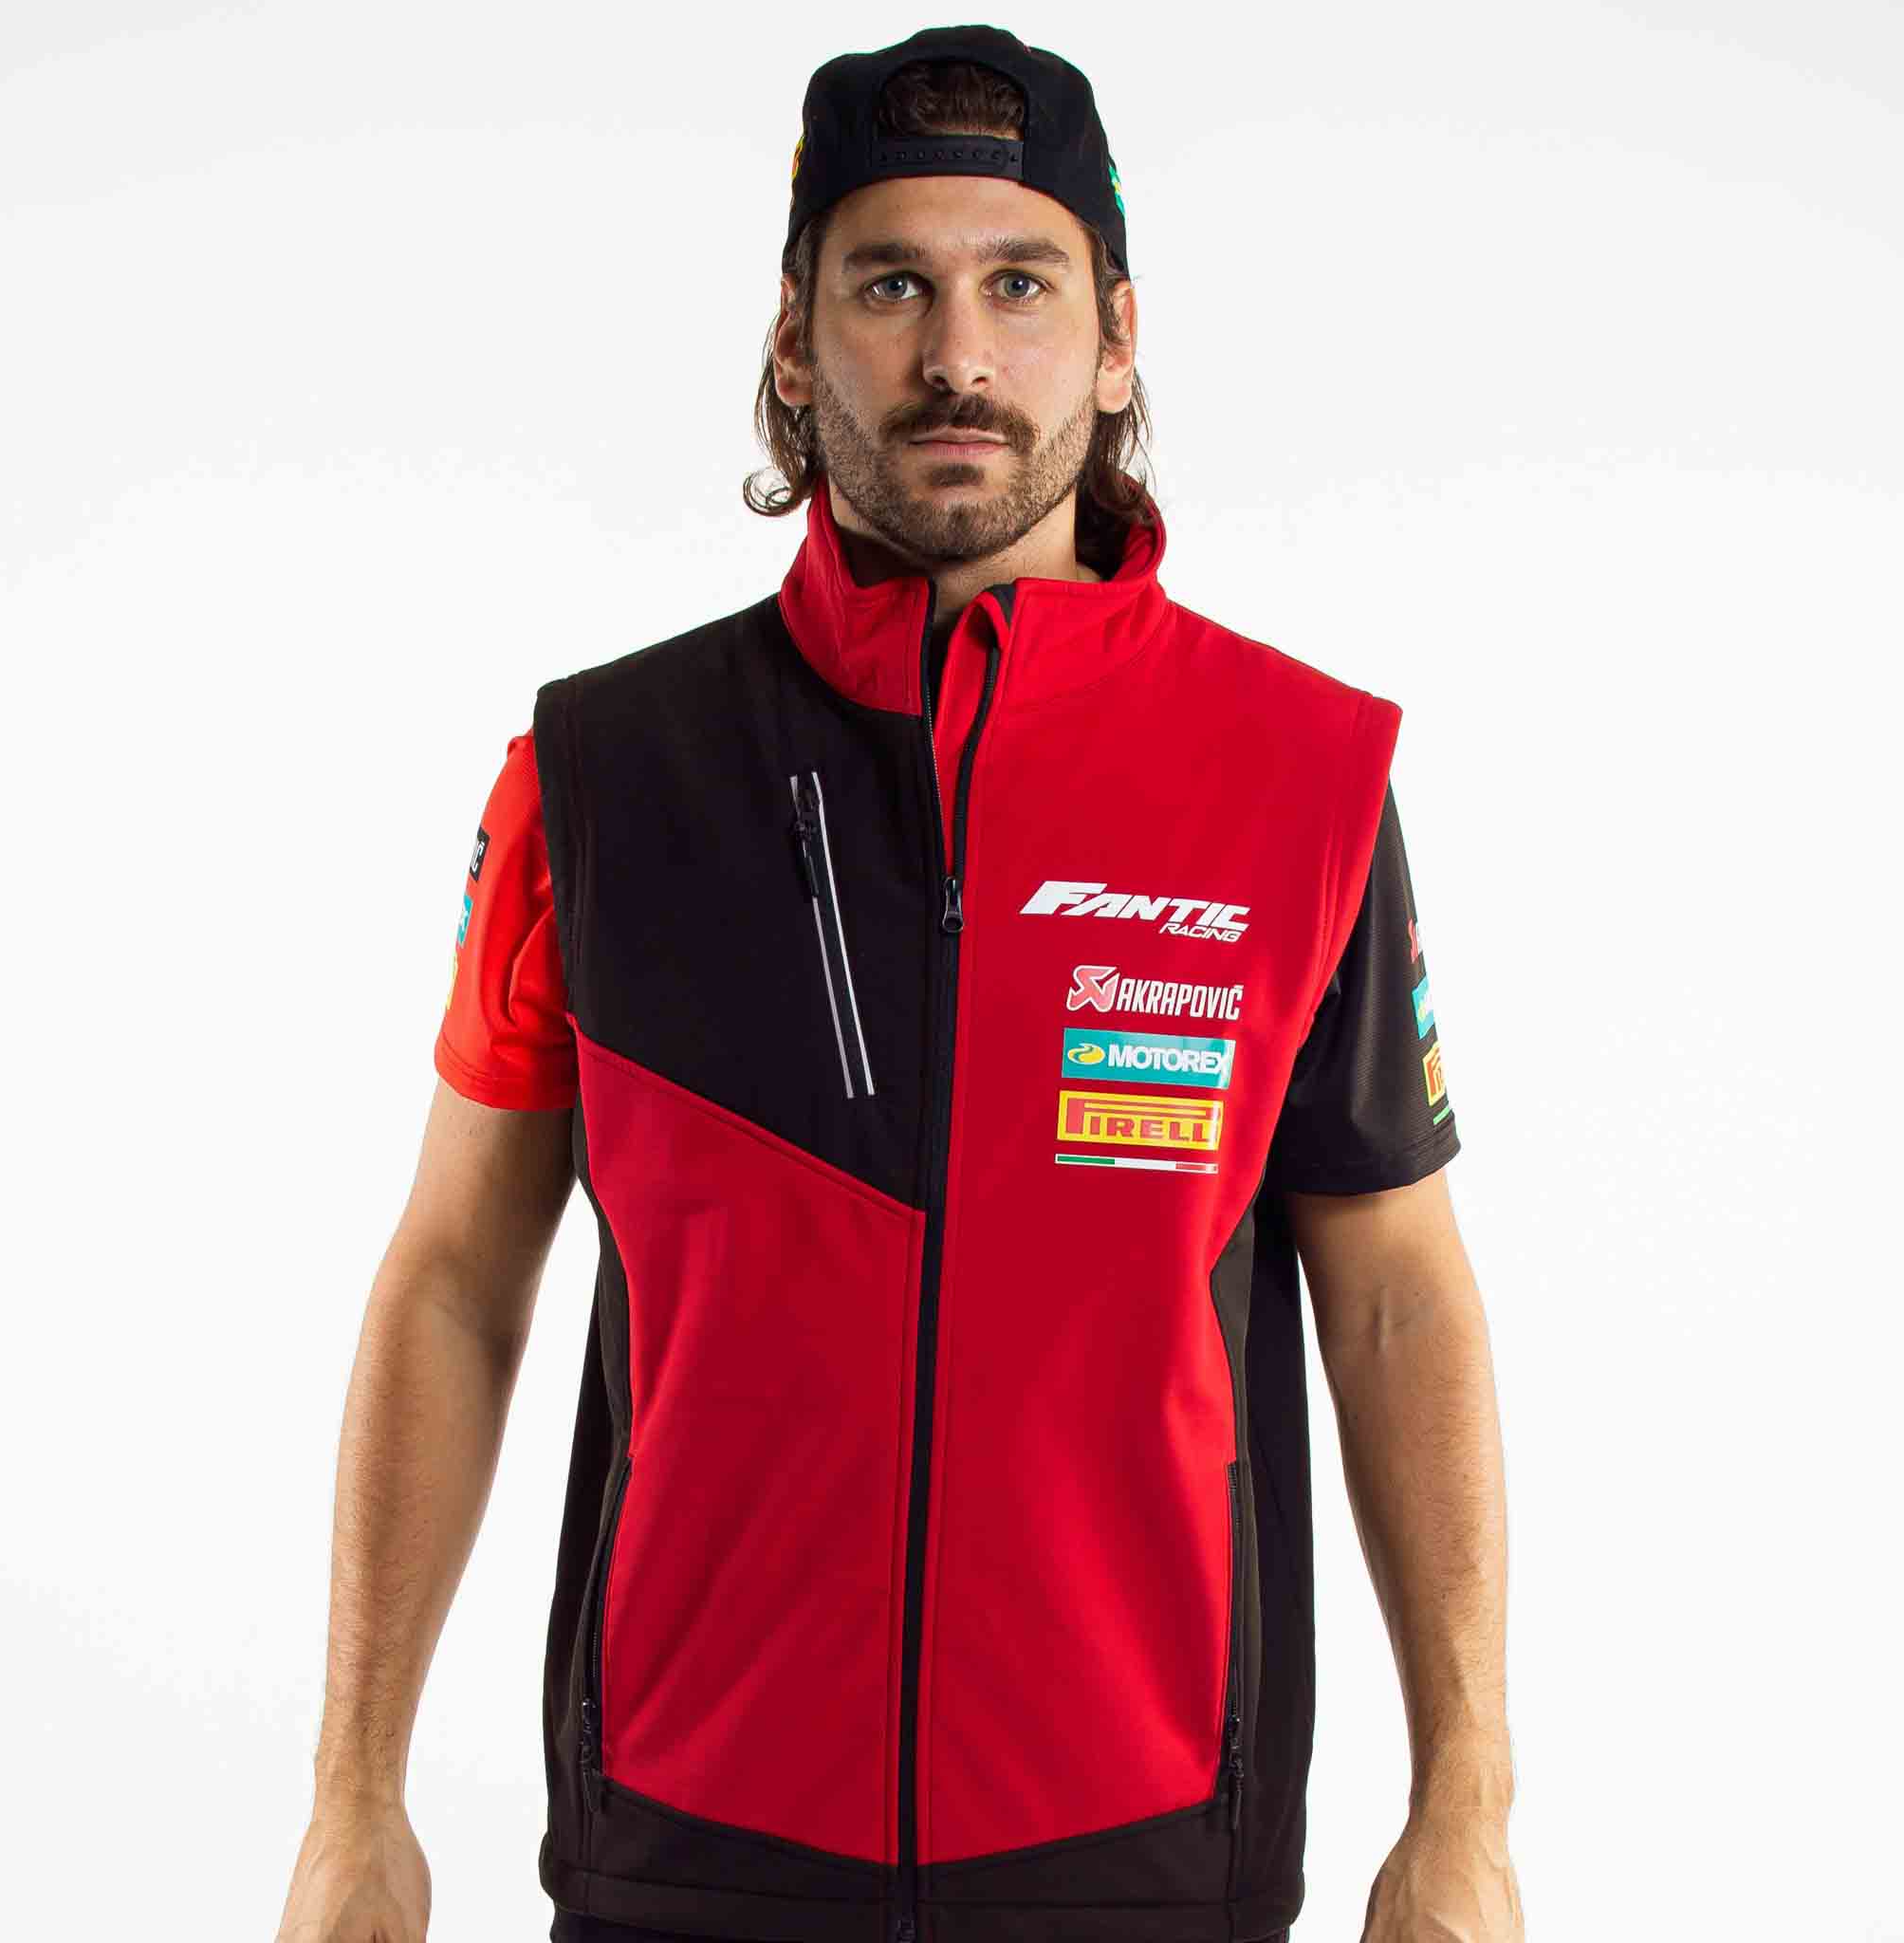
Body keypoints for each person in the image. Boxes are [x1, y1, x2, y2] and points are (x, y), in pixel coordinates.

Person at [277, 26, 1523, 1943]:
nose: (958, 356)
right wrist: (353, 1795)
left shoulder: (1303, 780)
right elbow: (453, 1275)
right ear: (795, 341)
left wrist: (1465, 1809)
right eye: (889, 287)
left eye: (1020, 286)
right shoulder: (599, 775)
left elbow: (1395, 1299)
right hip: (688, 1853)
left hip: (1142, 1859)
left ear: (1116, 339)